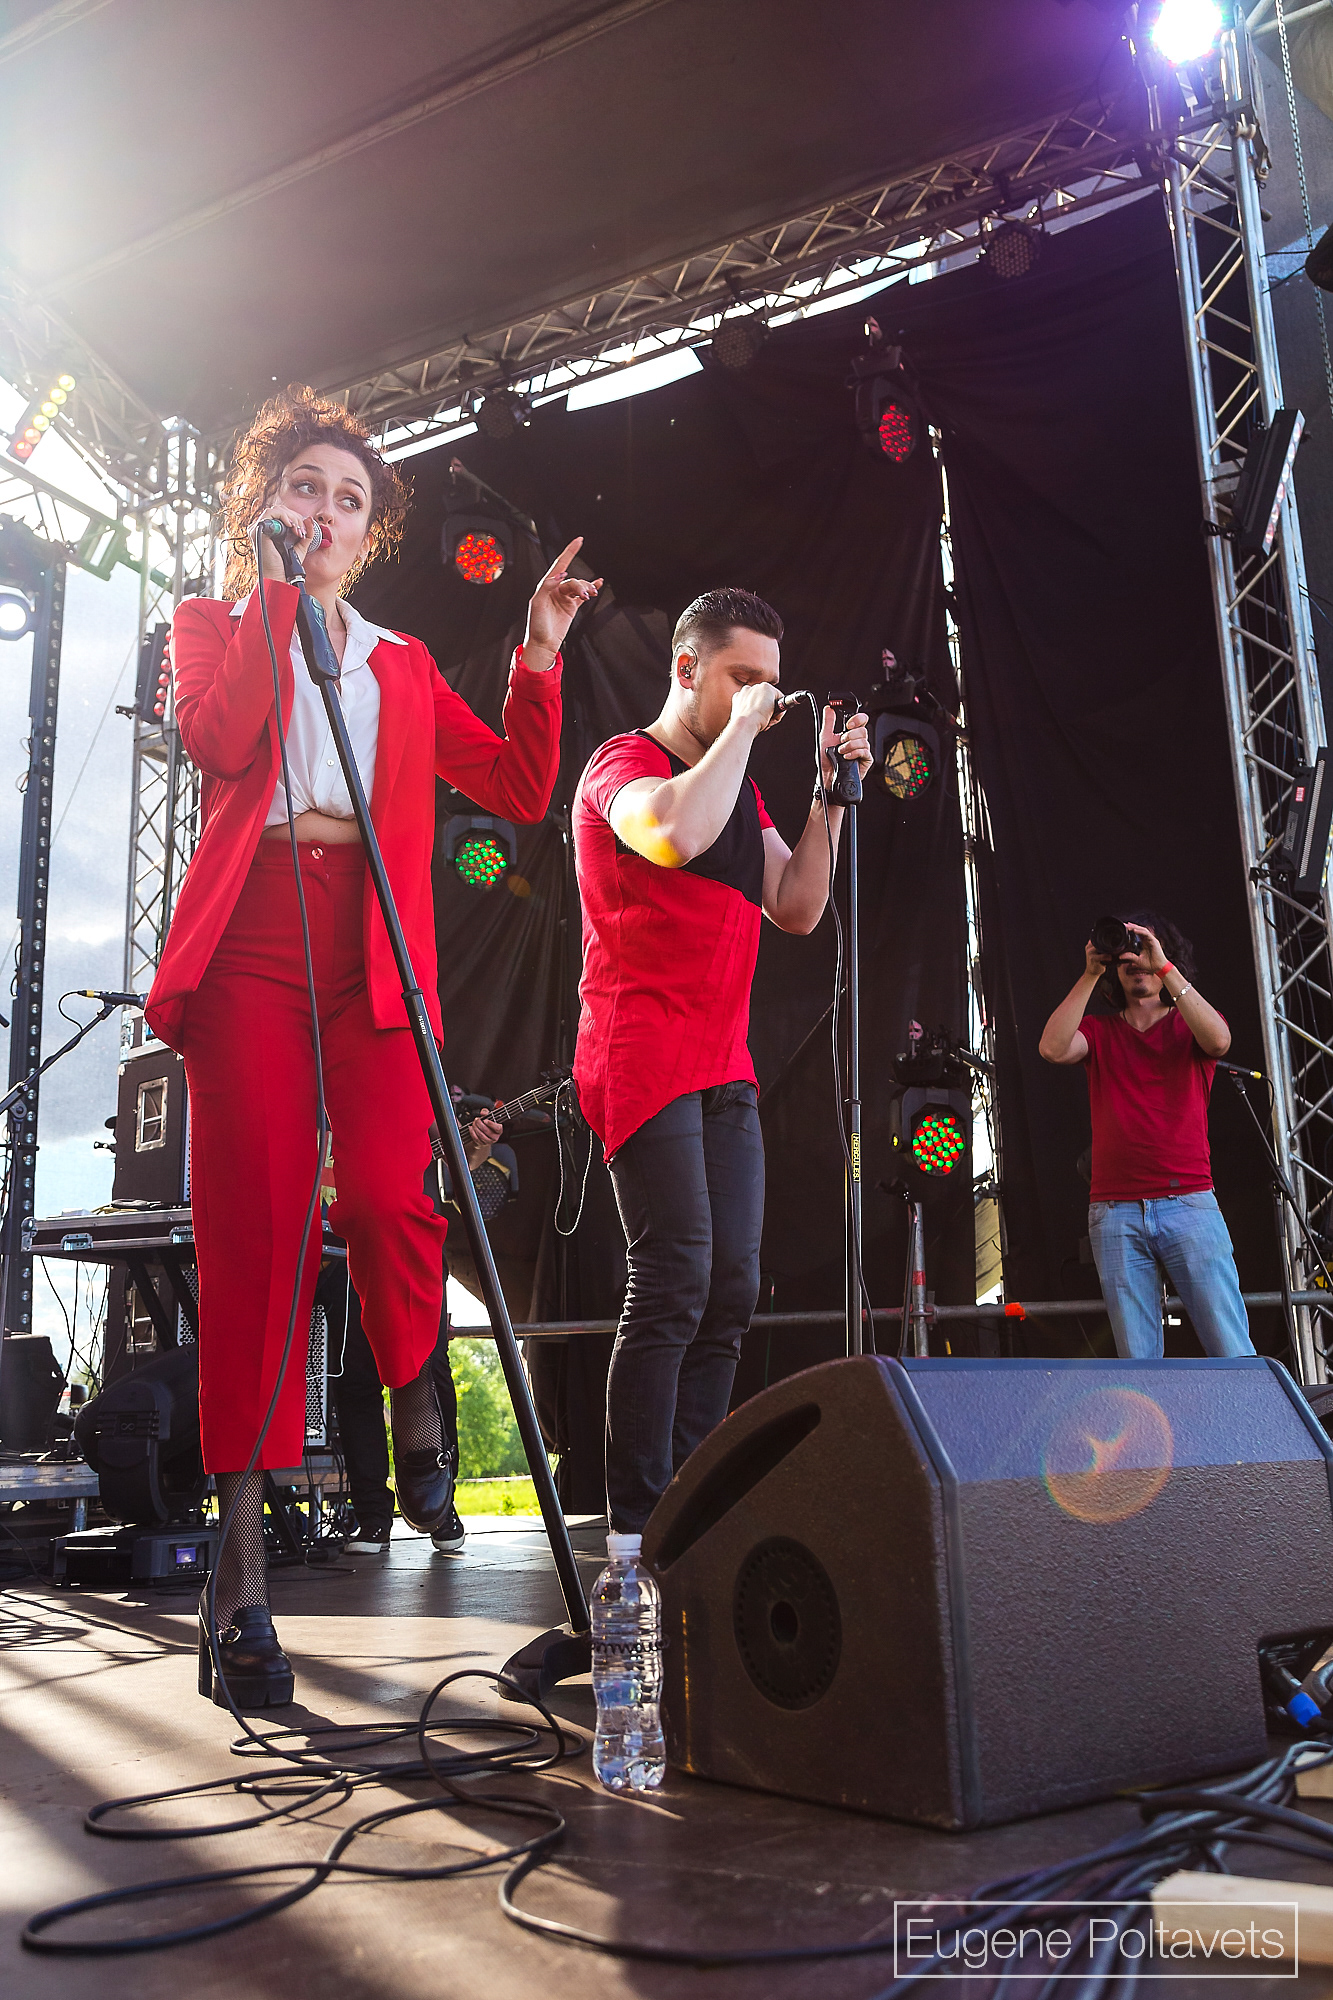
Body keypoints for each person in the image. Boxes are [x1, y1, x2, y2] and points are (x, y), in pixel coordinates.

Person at [145, 385, 599, 1709]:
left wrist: (538, 651)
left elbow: (514, 783)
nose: (326, 512)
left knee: (398, 1189)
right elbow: (221, 737)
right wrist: (273, 599)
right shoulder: (211, 622)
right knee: (258, 1232)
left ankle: (414, 1391)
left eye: (348, 499)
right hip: (250, 943)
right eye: (305, 488)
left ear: (369, 531)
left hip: (374, 951)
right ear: (265, 506)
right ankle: (242, 1575)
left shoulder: (398, 661)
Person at [572, 588, 872, 1533]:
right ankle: (635, 1525)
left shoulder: (737, 787)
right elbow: (671, 833)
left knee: (732, 1287)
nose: (762, 699)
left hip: (721, 1063)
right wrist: (742, 729)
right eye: (743, 679)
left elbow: (796, 906)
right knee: (673, 1281)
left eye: (770, 684)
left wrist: (827, 794)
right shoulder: (624, 765)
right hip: (639, 1052)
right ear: (686, 668)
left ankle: (692, 1511)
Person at [1038, 911, 1255, 1361]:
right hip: (1115, 1210)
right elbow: (1052, 1048)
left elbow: (1219, 1041)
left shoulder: (1188, 1023)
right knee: (1139, 1361)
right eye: (1126, 957)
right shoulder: (1099, 1031)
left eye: (1144, 952)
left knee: (1231, 1348)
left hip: (1188, 1202)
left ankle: (1254, 1413)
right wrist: (1090, 972)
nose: (1136, 963)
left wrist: (1163, 965)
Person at [328, 1100, 505, 1555]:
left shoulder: (423, 1079)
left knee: (428, 1367)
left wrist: (475, 1149)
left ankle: (442, 1508)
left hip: (413, 1237)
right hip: (343, 1242)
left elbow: (457, 1168)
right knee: (356, 1375)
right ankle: (372, 1516)